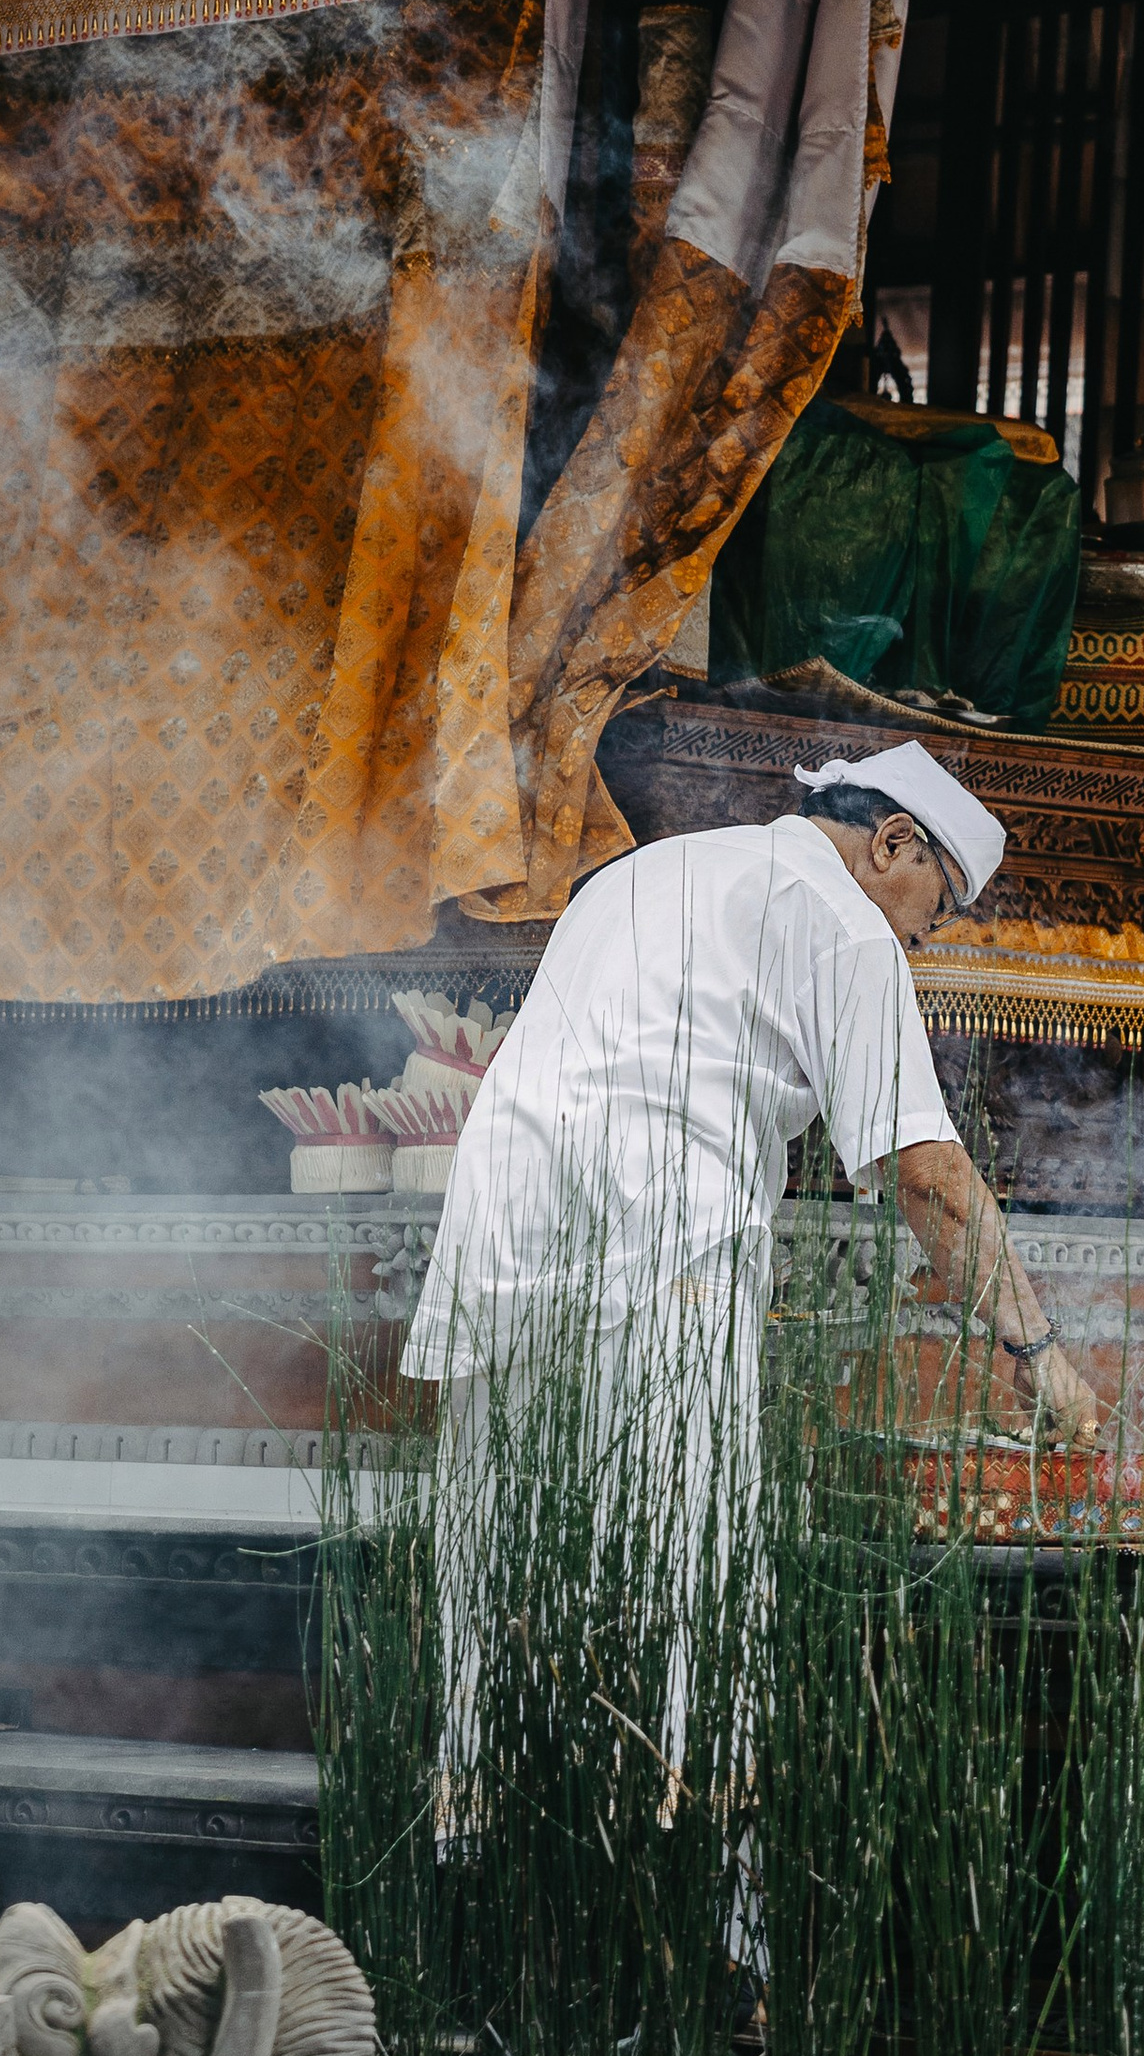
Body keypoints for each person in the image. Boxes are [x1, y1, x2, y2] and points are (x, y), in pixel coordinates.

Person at [403, 740, 1098, 1770]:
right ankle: (686, 1842)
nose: (920, 938)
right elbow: (930, 1179)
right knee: (679, 1566)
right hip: (660, 1235)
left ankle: (486, 1817)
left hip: (501, 1215)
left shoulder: (647, 869)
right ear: (891, 843)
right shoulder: (845, 926)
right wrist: (1039, 1349)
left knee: (503, 1549)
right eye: (933, 907)